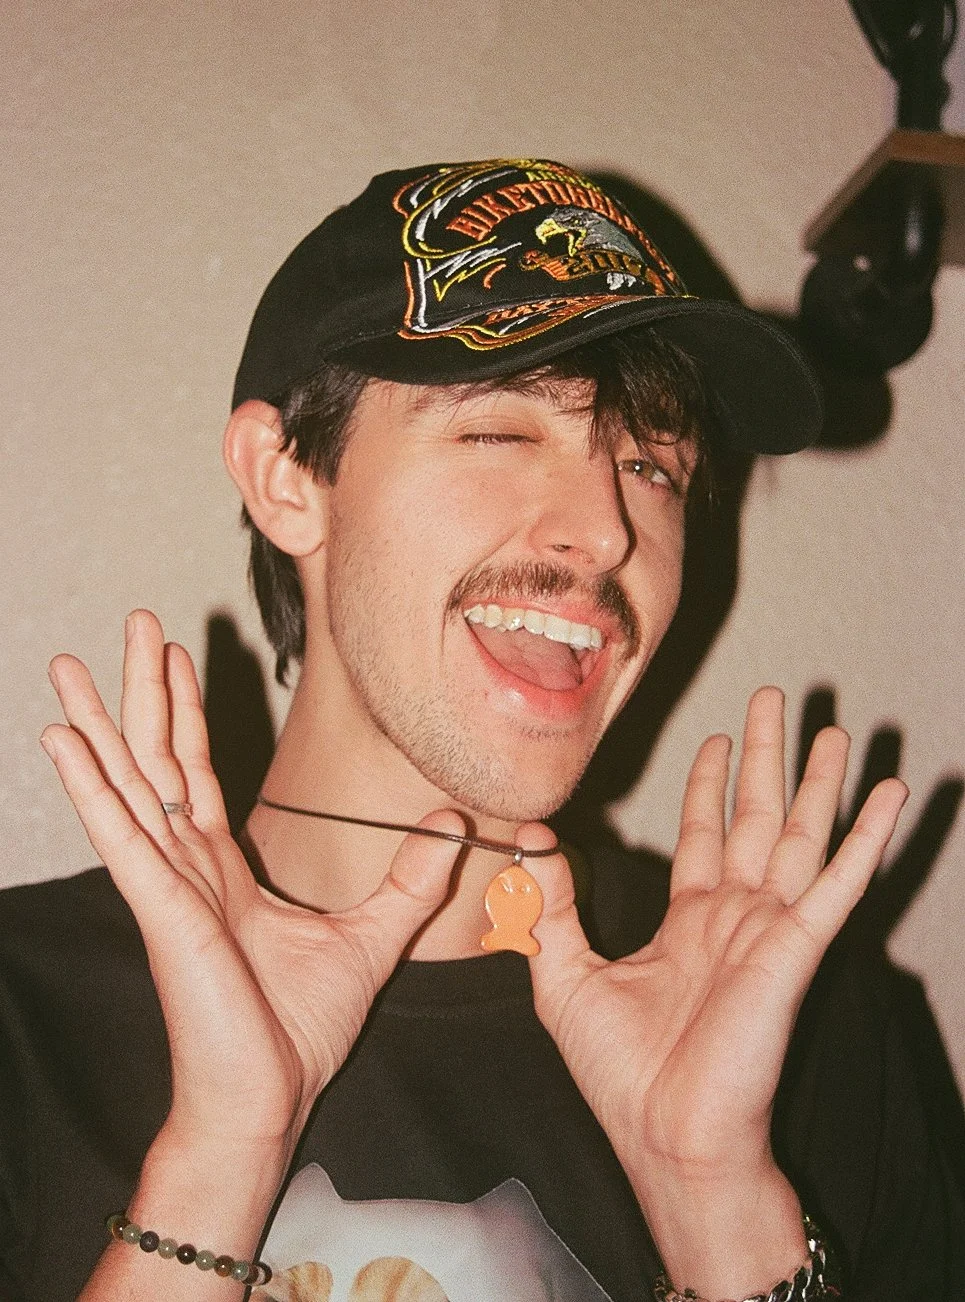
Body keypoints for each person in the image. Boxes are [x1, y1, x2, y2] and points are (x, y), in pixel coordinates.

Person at [2, 158, 962, 1302]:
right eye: (501, 433)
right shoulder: (23, 1023)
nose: (605, 531)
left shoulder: (810, 1030)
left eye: (651, 464)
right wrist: (219, 1158)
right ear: (285, 477)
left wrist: (712, 1198)